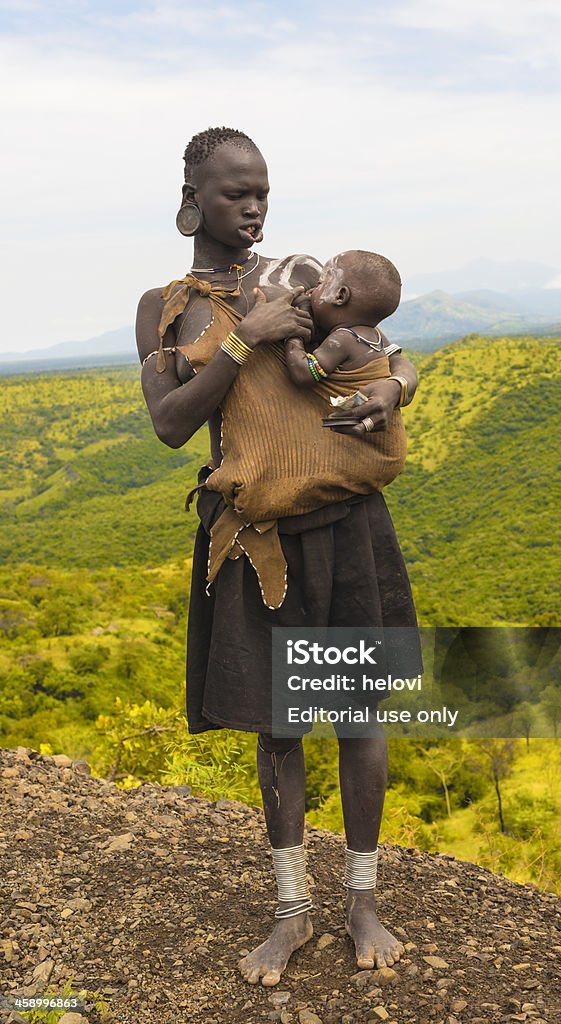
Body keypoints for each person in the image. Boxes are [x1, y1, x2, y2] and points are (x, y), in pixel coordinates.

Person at [135, 126, 420, 987]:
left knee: (360, 716)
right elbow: (170, 422)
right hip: (256, 539)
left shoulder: (303, 272)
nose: (254, 206)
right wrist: (244, 336)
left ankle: (363, 899)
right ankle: (292, 910)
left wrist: (391, 389)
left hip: (346, 525)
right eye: (234, 193)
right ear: (193, 200)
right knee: (279, 725)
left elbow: (385, 346)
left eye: (261, 190)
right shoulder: (167, 303)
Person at [283, 249, 402, 402]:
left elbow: (303, 373)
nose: (311, 291)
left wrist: (294, 331)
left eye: (320, 284)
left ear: (340, 296)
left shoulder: (344, 339)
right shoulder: (376, 337)